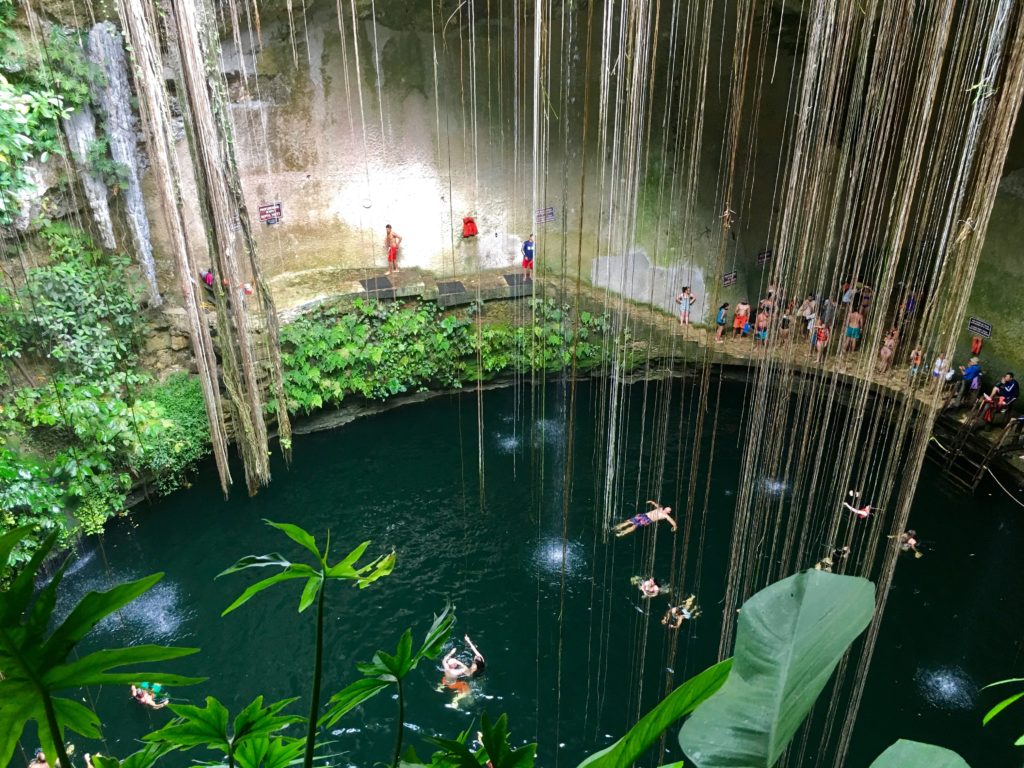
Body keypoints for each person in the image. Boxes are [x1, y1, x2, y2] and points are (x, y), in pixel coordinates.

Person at [613, 500, 678, 537]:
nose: (667, 509)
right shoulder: (660, 508)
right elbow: (656, 504)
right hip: (643, 515)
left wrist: (674, 526)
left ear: (668, 512)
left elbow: (671, 521)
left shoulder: (666, 516)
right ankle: (617, 527)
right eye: (667, 508)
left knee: (634, 526)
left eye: (669, 509)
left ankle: (622, 533)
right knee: (629, 521)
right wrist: (651, 502)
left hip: (647, 520)